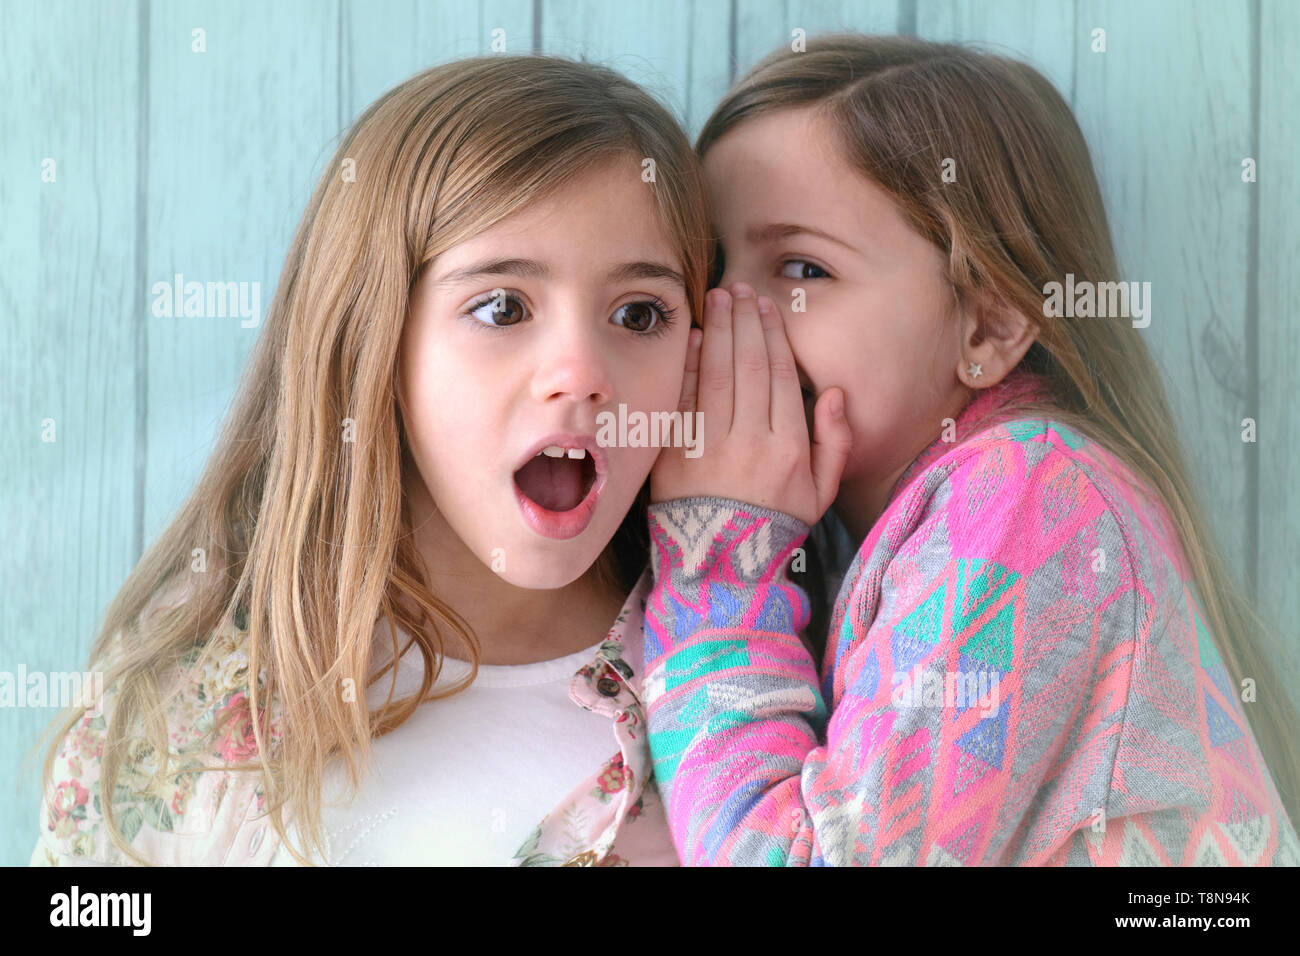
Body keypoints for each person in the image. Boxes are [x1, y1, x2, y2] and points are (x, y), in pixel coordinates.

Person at [30, 53, 709, 867]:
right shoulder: (194, 698)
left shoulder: (736, 695)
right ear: (372, 339)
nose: (581, 372)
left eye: (640, 313)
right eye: (502, 307)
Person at [642, 33, 1300, 866]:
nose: (729, 316)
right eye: (710, 269)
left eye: (803, 269)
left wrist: (718, 561)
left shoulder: (1032, 500)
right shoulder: (924, 516)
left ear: (987, 325)